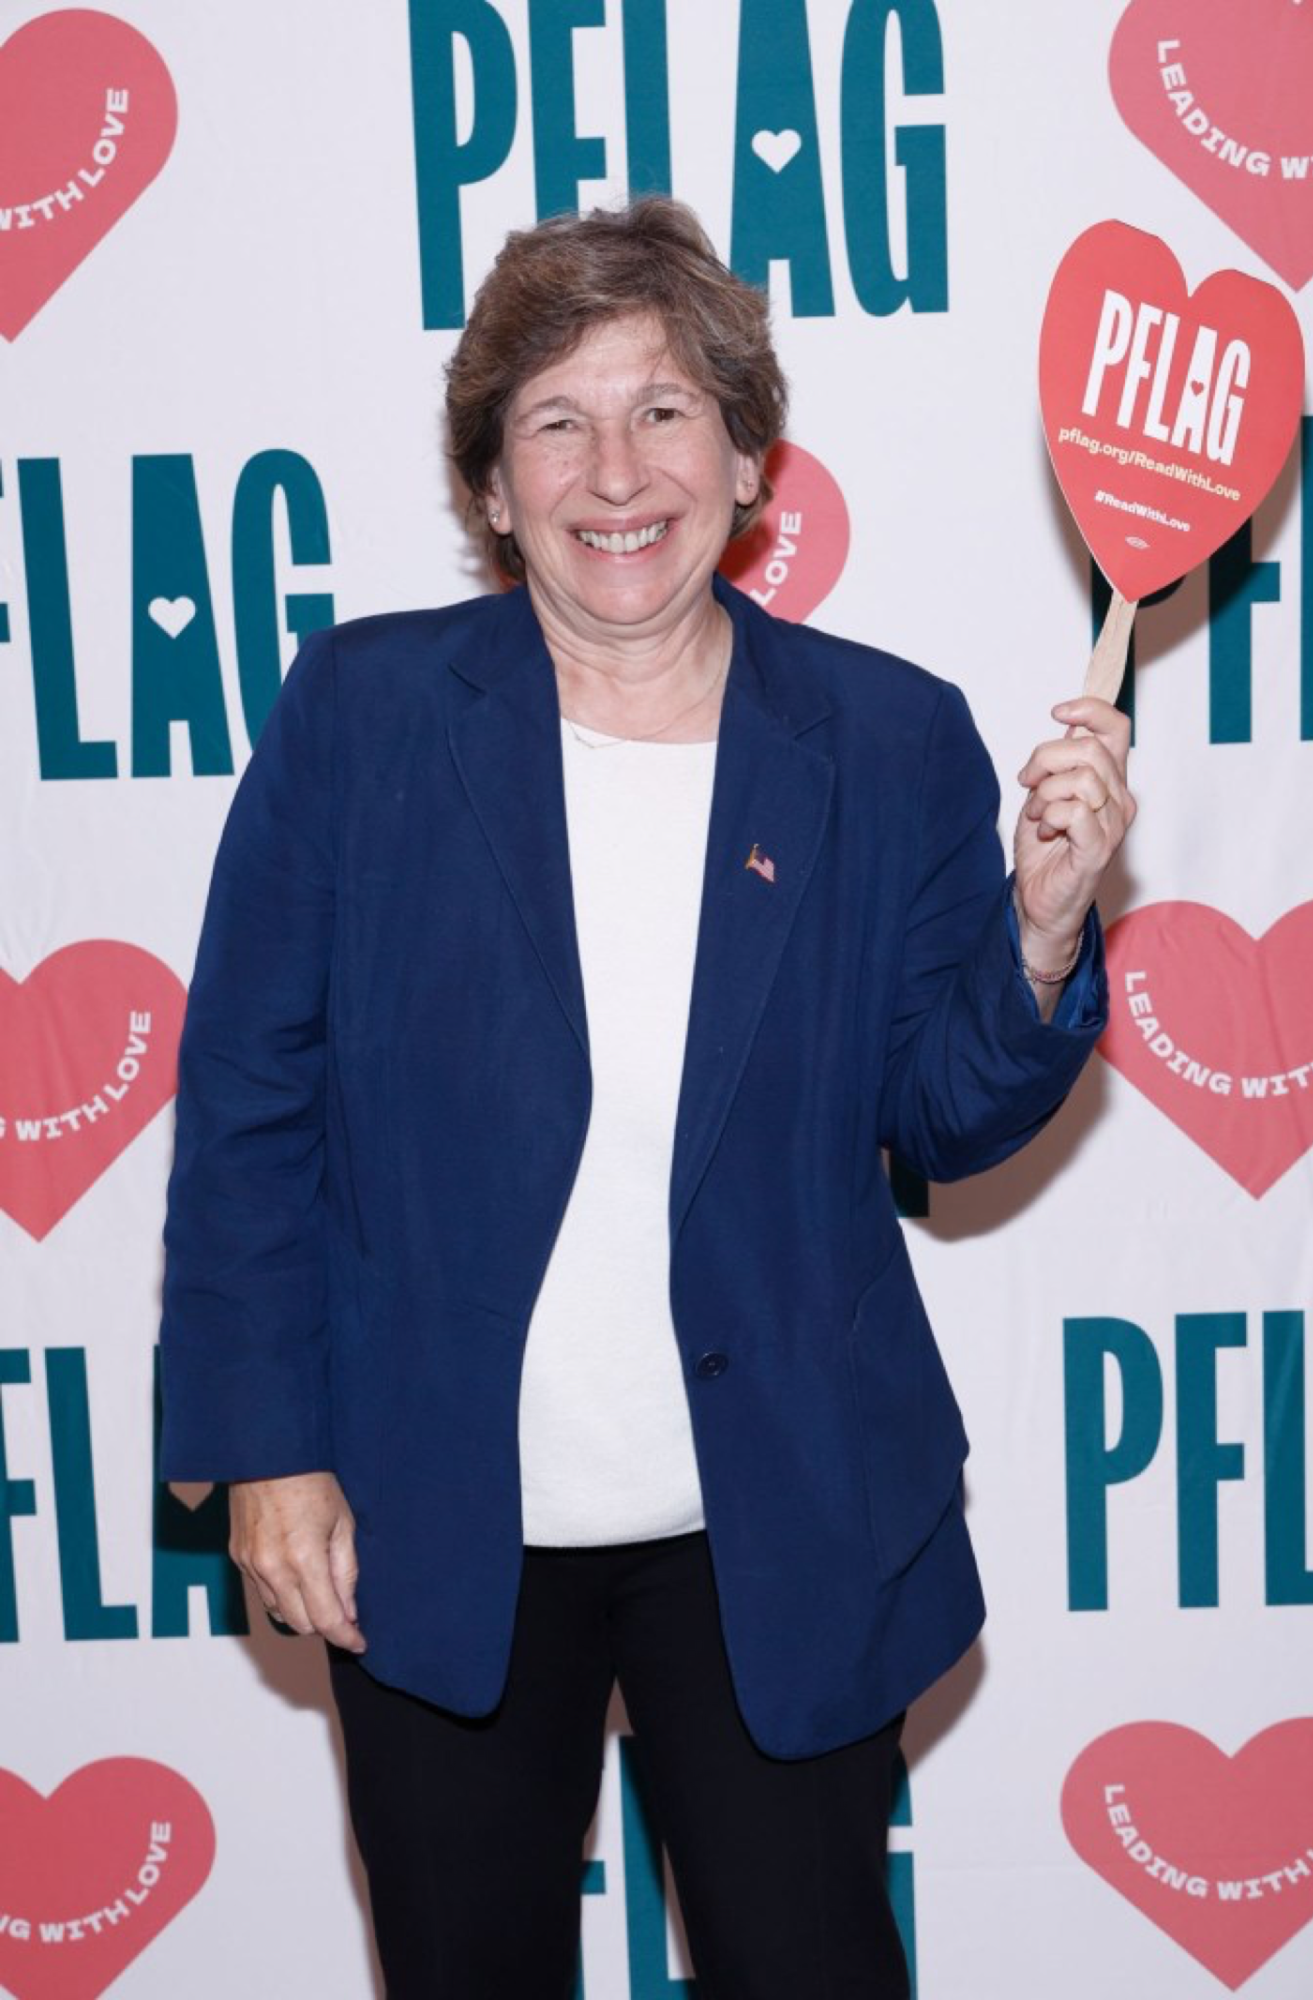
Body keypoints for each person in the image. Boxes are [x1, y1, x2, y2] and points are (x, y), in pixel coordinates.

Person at [158, 197, 1134, 1998]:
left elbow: (943, 1115)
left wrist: (1046, 942)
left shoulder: (892, 739)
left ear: (751, 459)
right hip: (436, 1517)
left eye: (668, 410)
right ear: (490, 483)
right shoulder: (361, 721)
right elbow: (247, 1098)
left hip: (776, 1512)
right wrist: (268, 1446)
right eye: (556, 421)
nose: (618, 470)